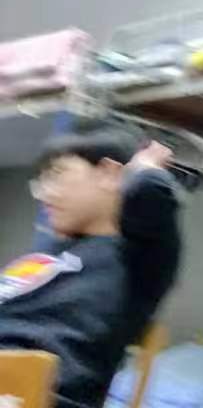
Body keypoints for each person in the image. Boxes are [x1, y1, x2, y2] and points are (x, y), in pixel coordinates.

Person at [0, 127, 182, 408]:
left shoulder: (136, 257)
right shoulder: (48, 254)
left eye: (57, 174)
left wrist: (144, 168)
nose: (44, 193)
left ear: (108, 173)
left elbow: (152, 194)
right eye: (42, 181)